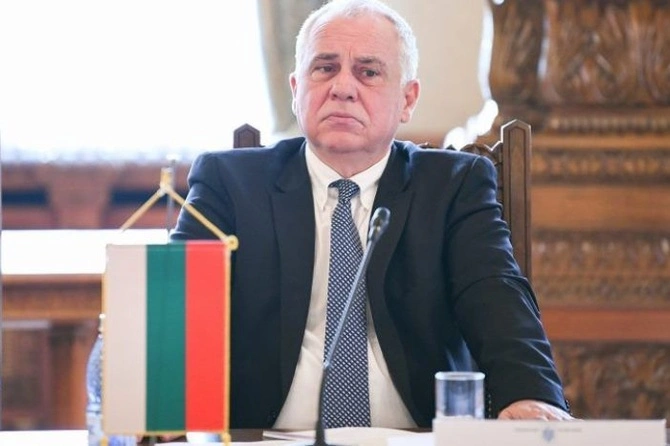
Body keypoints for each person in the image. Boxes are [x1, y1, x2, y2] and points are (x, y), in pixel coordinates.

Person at [171, 0, 572, 428]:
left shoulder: (453, 187)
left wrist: (530, 395)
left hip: (416, 436)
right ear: (296, 89)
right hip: (261, 437)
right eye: (325, 68)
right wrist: (160, 411)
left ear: (407, 99)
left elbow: (495, 296)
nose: (342, 88)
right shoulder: (230, 184)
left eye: (368, 72)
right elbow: (173, 311)